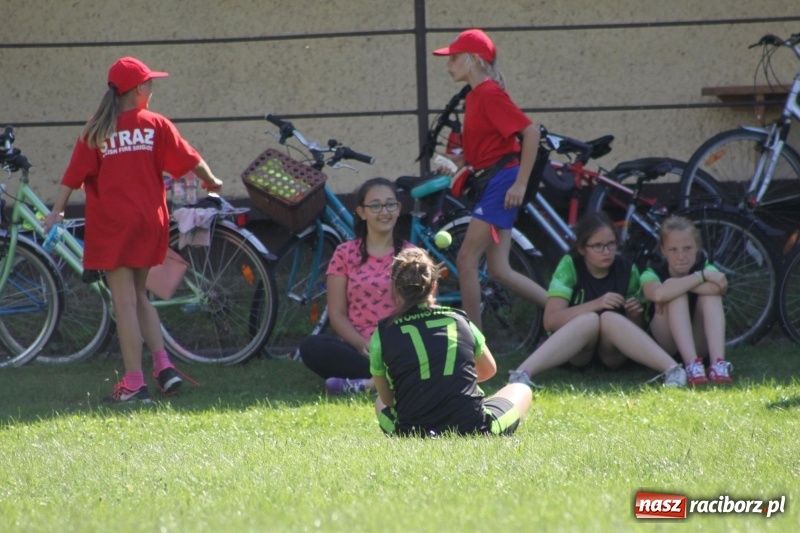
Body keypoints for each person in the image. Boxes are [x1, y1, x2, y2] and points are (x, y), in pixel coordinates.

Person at [43, 57, 223, 403]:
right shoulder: (156, 124)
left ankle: (133, 383)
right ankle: (164, 368)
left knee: (123, 304)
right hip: (149, 221)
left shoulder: (97, 129)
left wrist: (57, 210)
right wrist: (212, 182)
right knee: (140, 296)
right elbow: (191, 158)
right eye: (150, 84)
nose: (152, 89)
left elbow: (71, 176)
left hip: (113, 225)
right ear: (139, 90)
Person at [432, 28, 547, 331]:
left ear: (473, 60)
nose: (449, 65)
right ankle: (566, 313)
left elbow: (531, 133)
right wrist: (455, 163)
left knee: (466, 260)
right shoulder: (475, 96)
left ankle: (474, 343)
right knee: (499, 269)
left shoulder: (489, 93)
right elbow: (483, 151)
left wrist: (520, 184)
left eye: (454, 58)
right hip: (494, 180)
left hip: (502, 183)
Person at [508, 212, 687, 388]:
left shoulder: (627, 269)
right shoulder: (570, 266)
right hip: (577, 352)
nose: (606, 252)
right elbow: (551, 321)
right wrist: (596, 304)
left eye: (611, 244)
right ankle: (521, 374)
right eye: (598, 246)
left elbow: (639, 330)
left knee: (609, 318)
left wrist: (635, 314)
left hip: (613, 354)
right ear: (582, 248)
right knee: (591, 319)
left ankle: (673, 370)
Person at [370, 248, 532, 436]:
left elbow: (388, 400)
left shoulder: (382, 334)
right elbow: (489, 370)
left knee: (379, 402)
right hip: (473, 427)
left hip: (412, 431)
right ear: (433, 285)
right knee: (520, 388)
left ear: (395, 288)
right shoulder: (460, 320)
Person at [298, 177, 412, 394]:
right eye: (375, 205)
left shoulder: (412, 255)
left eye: (390, 204)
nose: (384, 211)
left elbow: (420, 313)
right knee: (311, 347)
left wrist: (391, 345)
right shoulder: (344, 253)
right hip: (359, 349)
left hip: (400, 345)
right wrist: (362, 344)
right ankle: (389, 381)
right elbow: (337, 313)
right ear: (362, 212)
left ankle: (369, 384)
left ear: (398, 209)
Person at [641, 216, 732, 384]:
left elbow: (718, 287)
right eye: (673, 250)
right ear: (663, 250)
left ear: (697, 247)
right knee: (675, 293)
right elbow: (658, 295)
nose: (681, 256)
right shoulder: (651, 273)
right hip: (667, 344)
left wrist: (674, 285)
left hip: (699, 341)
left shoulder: (705, 267)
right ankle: (691, 366)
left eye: (687, 248)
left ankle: (718, 363)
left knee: (709, 296)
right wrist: (701, 277)